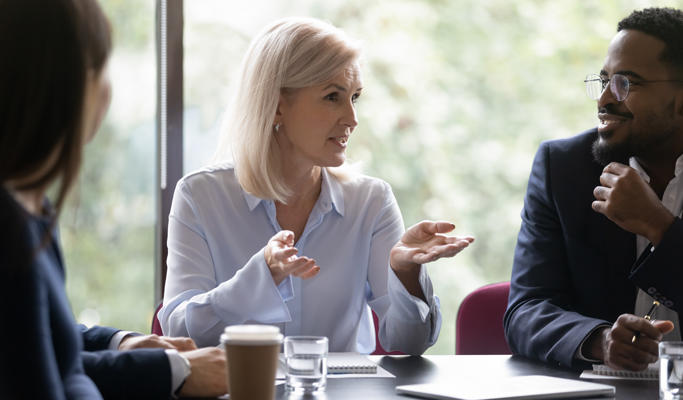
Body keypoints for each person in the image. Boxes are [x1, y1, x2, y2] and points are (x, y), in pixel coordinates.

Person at [159, 17, 474, 353]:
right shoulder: (200, 197)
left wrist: (406, 272)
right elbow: (179, 332)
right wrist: (261, 276)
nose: (352, 118)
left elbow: (409, 344)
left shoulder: (371, 201)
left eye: (355, 97)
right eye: (332, 97)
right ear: (278, 105)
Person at [0, 0, 226, 398]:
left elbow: (48, 347)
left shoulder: (31, 209)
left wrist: (123, 343)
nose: (108, 89)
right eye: (100, 67)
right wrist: (174, 371)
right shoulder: (10, 233)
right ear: (61, 83)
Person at [504, 7, 683, 371]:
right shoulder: (564, 168)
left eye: (626, 83)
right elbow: (526, 309)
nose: (603, 100)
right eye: (603, 81)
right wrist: (599, 340)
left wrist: (659, 227)